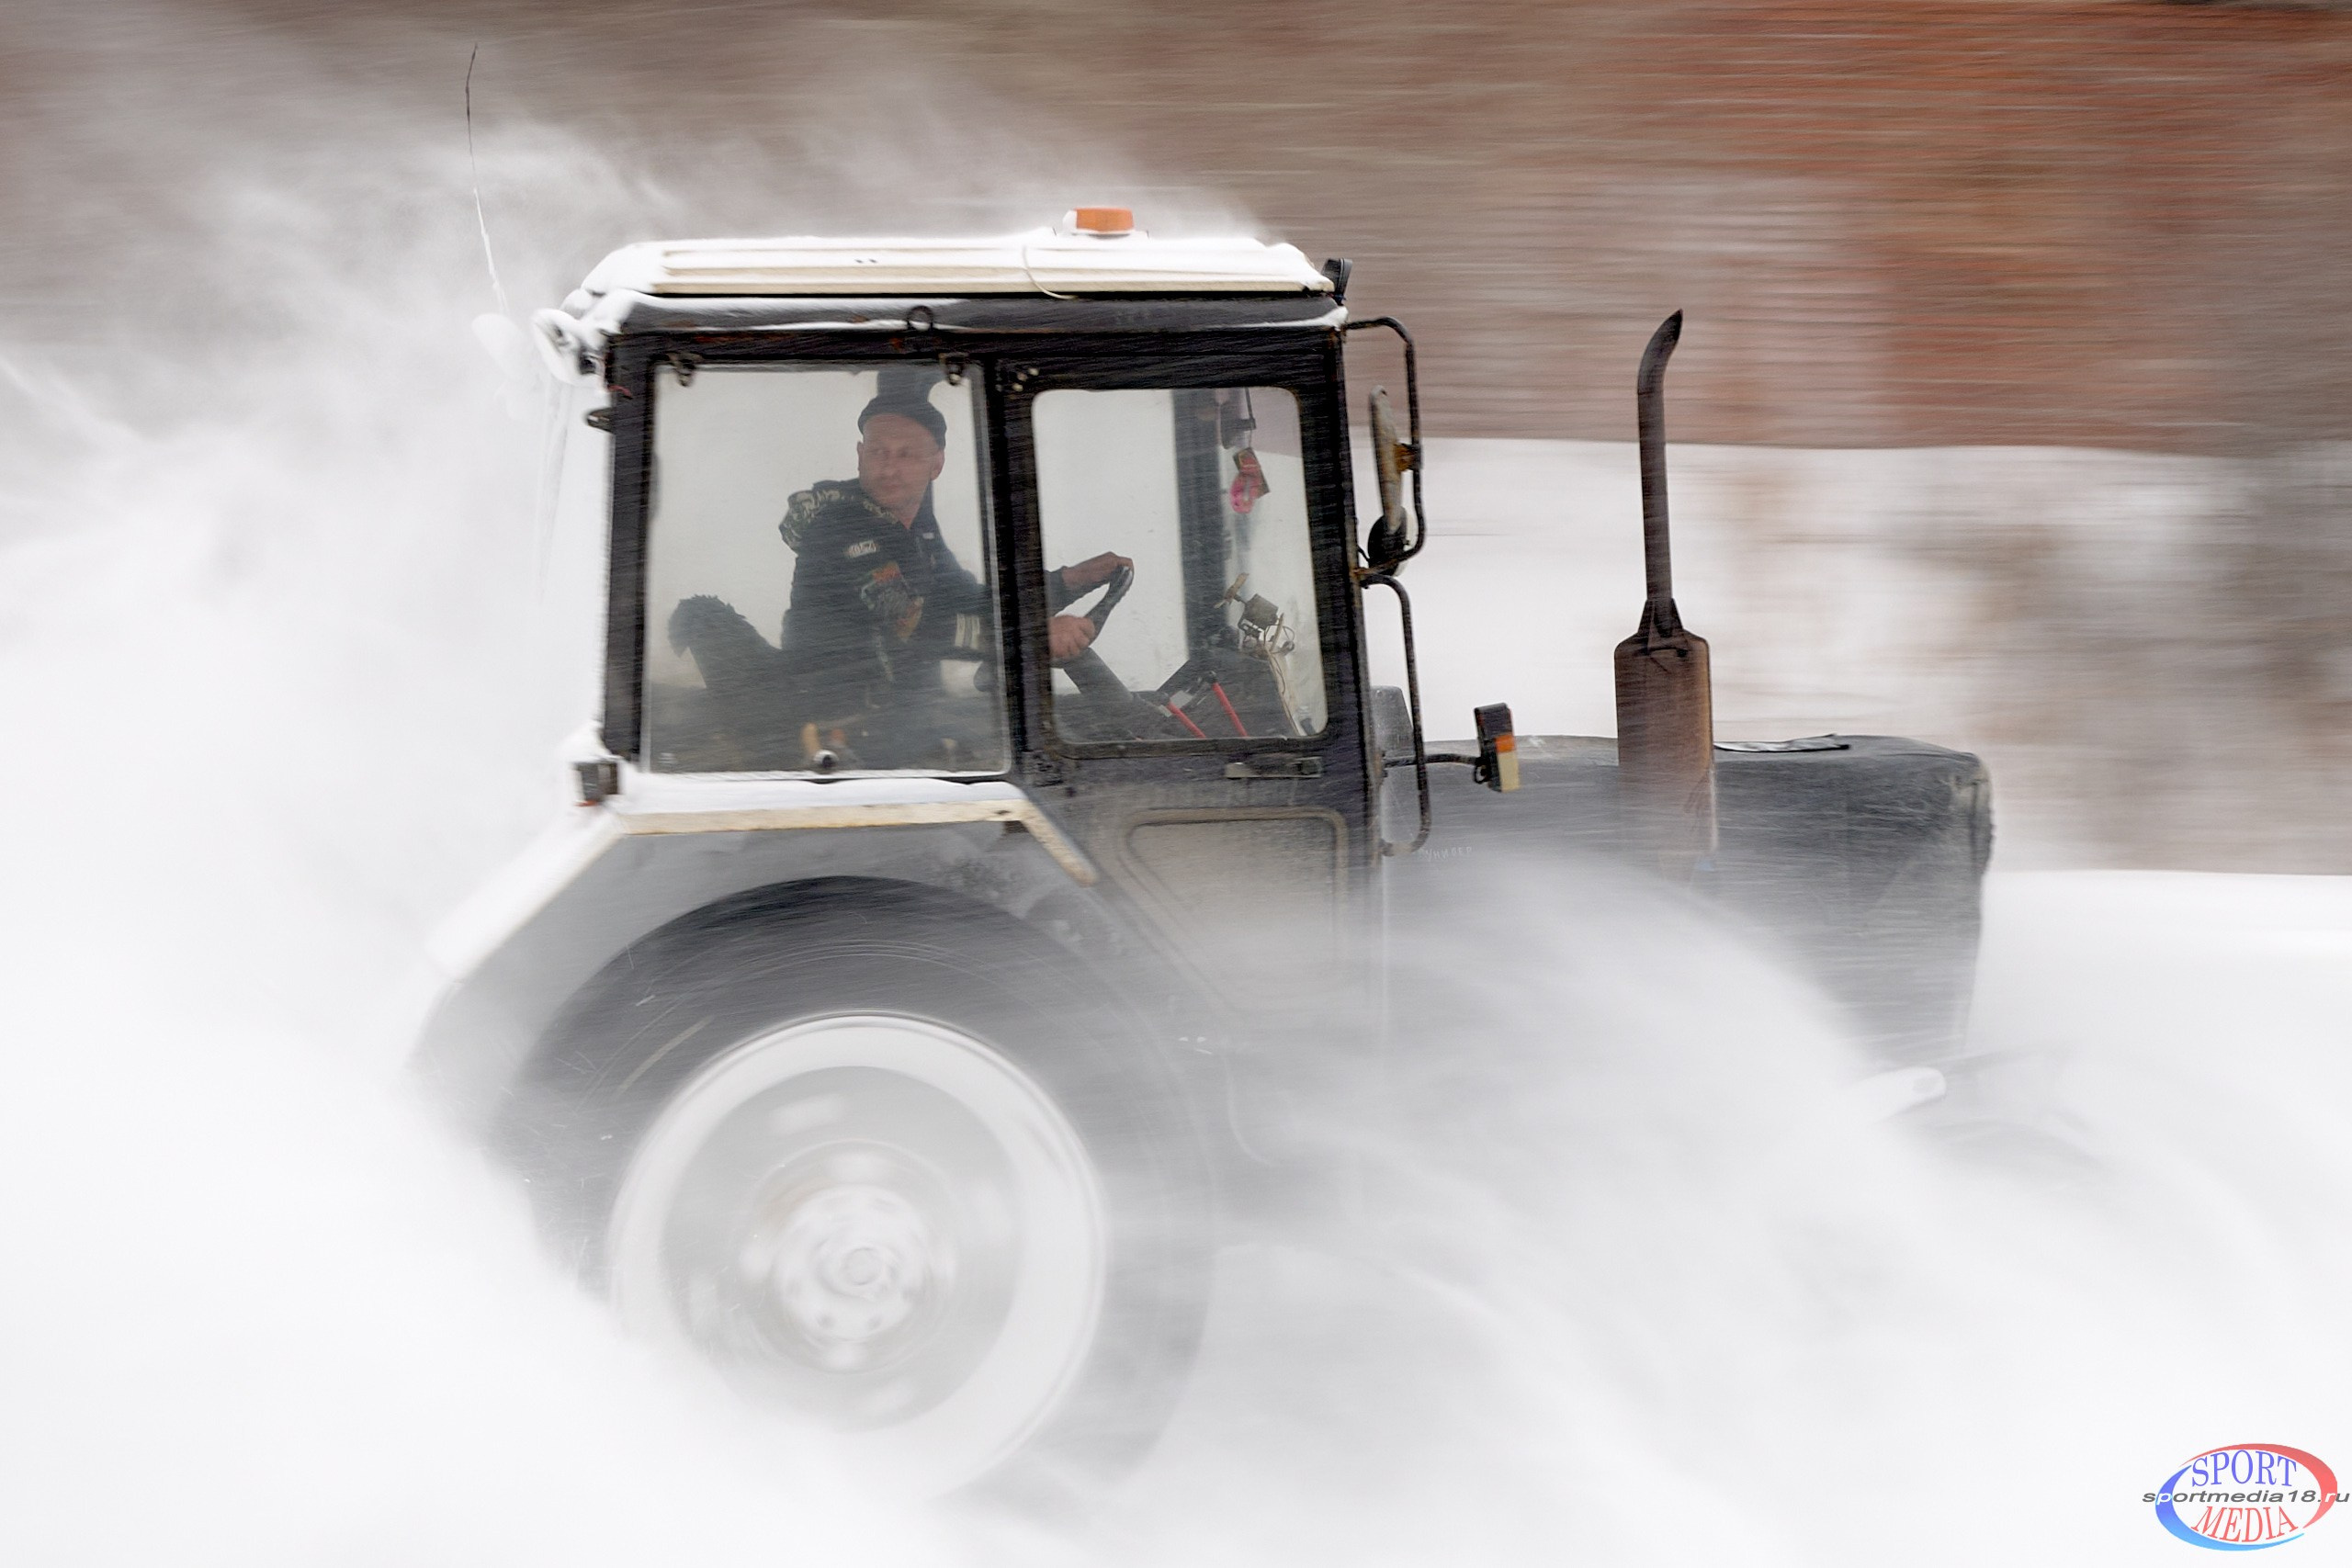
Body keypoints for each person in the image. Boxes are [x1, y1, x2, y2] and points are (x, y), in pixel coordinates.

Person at [668, 377, 1127, 767]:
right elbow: (914, 625)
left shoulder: (913, 528)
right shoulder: (844, 528)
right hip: (837, 729)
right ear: (860, 454)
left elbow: (967, 600)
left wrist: (1065, 582)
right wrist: (1030, 639)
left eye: (906, 454)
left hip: (888, 715)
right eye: (879, 452)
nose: (889, 467)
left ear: (936, 464)